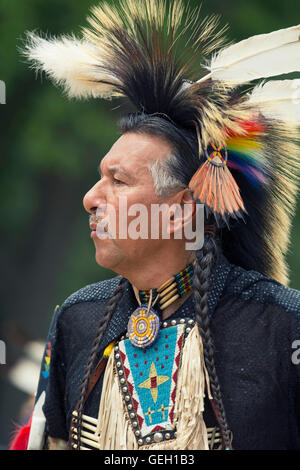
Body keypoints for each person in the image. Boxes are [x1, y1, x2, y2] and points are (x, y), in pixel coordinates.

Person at [13, 0, 300, 450]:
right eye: (99, 176)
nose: (91, 198)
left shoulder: (283, 327)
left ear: (183, 209)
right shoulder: (77, 320)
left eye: (118, 181)